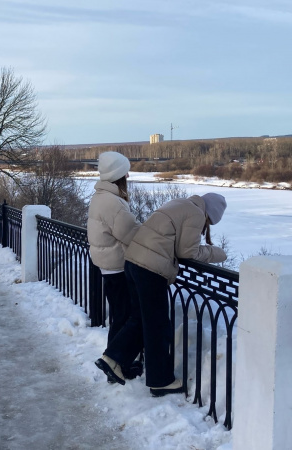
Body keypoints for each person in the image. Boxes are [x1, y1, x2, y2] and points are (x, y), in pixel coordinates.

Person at [96, 192, 227, 398]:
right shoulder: (195, 214)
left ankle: (112, 358)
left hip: (133, 262)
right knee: (157, 326)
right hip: (150, 269)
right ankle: (160, 381)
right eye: (209, 221)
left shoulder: (179, 203)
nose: (206, 224)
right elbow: (188, 252)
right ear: (210, 213)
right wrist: (217, 253)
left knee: (139, 319)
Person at [87, 152, 142, 381]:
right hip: (117, 266)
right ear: (119, 175)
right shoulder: (114, 203)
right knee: (126, 316)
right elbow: (131, 234)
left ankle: (119, 363)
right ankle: (116, 362)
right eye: (125, 171)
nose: (128, 175)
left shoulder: (100, 197)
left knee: (120, 316)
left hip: (106, 265)